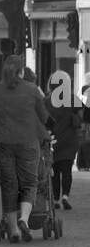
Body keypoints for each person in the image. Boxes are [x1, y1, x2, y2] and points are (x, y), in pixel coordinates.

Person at [0, 55, 49, 242]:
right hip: (28, 142)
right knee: (30, 182)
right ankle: (24, 218)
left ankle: (13, 229)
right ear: (22, 71)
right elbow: (44, 117)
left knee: (9, 184)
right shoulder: (32, 89)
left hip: (3, 142)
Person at [44, 73, 82, 210]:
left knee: (54, 171)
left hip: (52, 139)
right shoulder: (73, 99)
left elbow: (43, 119)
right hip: (69, 139)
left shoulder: (47, 100)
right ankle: (65, 196)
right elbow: (82, 116)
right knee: (67, 171)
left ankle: (55, 199)